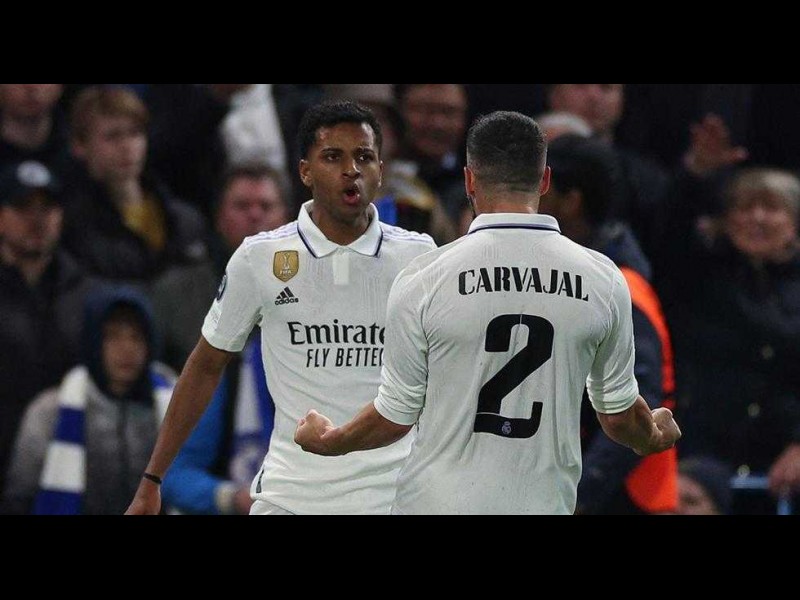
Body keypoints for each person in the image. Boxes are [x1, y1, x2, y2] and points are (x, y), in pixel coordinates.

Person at [295, 111, 681, 515]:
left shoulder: (425, 278)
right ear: (544, 181)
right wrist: (651, 436)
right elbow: (618, 417)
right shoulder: (604, 279)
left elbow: (395, 415)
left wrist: (333, 441)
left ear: (469, 181)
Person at [125, 101, 436, 516]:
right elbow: (205, 365)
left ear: (380, 169)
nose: (351, 170)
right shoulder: (261, 257)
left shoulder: (419, 256)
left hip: (395, 500)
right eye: (333, 157)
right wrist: (152, 478)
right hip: (289, 499)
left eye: (364, 157)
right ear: (305, 171)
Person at [541, 135, 678, 515]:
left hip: (625, 498)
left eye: (541, 192)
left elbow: (637, 406)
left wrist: (580, 497)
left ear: (571, 202)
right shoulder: (583, 277)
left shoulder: (621, 288)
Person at [154, 163, 290, 515]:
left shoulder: (318, 297)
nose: (255, 215)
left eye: (266, 206)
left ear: (288, 219)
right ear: (219, 218)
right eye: (242, 206)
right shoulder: (175, 294)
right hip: (212, 453)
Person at [1, 286, 176, 515]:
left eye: (136, 337)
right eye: (112, 336)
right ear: (93, 341)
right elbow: (19, 497)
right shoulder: (50, 411)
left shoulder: (175, 407)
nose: (127, 349)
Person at [0, 160, 95, 501]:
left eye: (47, 208)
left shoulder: (86, 293)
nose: (36, 219)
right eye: (22, 207)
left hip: (69, 466)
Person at [61, 86, 208, 284]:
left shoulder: (185, 219)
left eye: (135, 133)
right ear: (79, 145)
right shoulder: (72, 227)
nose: (127, 146)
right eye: (112, 136)